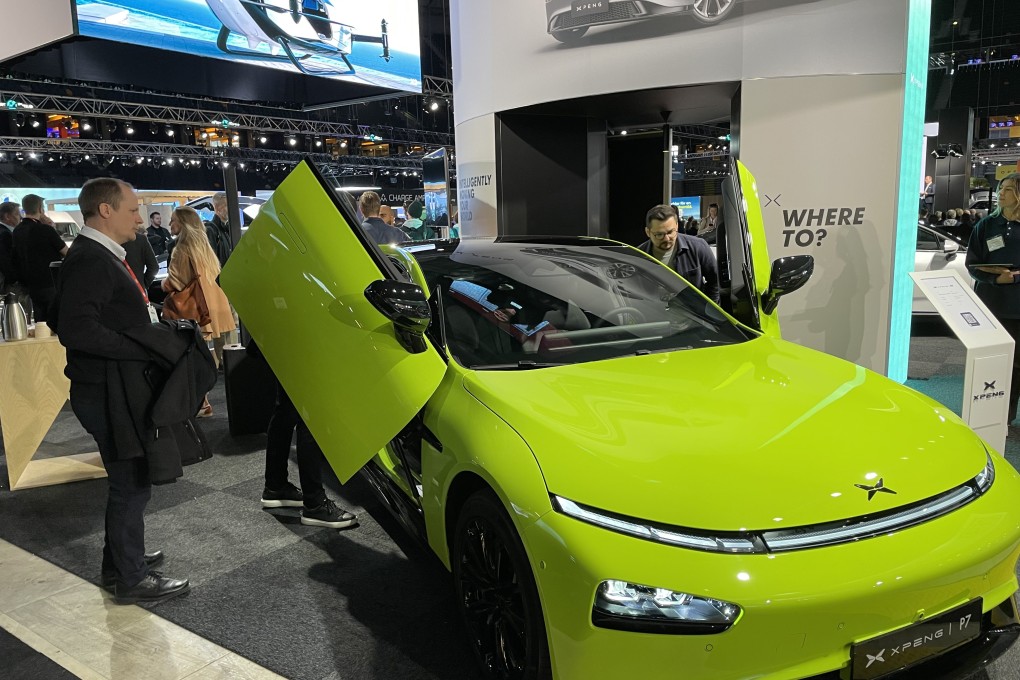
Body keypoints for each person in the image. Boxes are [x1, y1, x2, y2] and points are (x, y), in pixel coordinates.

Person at [51, 177, 189, 604]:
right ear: (105, 211)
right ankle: (130, 579)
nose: (140, 218)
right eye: (132, 210)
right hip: (108, 391)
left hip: (112, 387)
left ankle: (121, 564)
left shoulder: (99, 254)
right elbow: (75, 329)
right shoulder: (92, 258)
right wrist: (140, 345)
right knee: (131, 482)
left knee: (129, 479)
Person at [258, 346, 358, 529]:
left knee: (286, 408)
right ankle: (315, 504)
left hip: (282, 340)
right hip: (302, 343)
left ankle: (276, 486)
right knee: (312, 414)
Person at [162, 207, 236, 416]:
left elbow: (176, 282)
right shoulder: (204, 246)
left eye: (174, 221)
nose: (170, 225)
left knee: (190, 357)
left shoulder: (181, 249)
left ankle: (200, 402)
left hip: (194, 310)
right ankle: (205, 401)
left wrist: (164, 285)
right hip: (214, 307)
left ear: (184, 224)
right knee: (213, 355)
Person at [967, 172, 1020, 425]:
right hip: (989, 306)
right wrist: (995, 279)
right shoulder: (986, 226)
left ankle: (1007, 416)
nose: (1001, 194)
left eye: (1008, 189)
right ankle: (991, 417)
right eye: (1001, 188)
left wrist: (1015, 278)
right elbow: (972, 264)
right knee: (988, 362)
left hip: (1017, 309)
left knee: (1016, 366)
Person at [637, 204, 720, 303]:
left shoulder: (698, 246)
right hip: (655, 313)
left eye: (671, 232)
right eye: (659, 234)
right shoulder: (638, 255)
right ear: (648, 232)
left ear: (676, 226)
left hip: (693, 314)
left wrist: (708, 310)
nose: (667, 238)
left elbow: (715, 281)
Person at [12, 194, 67, 322]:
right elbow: (66, 252)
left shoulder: (17, 230)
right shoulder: (45, 230)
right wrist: (51, 227)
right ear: (41, 209)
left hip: (30, 284)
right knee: (55, 320)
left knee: (40, 322)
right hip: (50, 282)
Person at [123, 221, 158, 289]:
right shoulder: (140, 239)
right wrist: (143, 284)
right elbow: (154, 267)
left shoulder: (106, 240)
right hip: (138, 287)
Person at [204, 192, 233, 268]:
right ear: (217, 208)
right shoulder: (211, 230)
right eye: (227, 205)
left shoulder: (227, 229)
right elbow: (210, 261)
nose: (231, 209)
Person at [0, 201, 19, 294]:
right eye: (17, 214)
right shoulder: (5, 234)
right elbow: (6, 259)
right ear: (7, 216)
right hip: (9, 283)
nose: (20, 217)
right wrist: (14, 279)